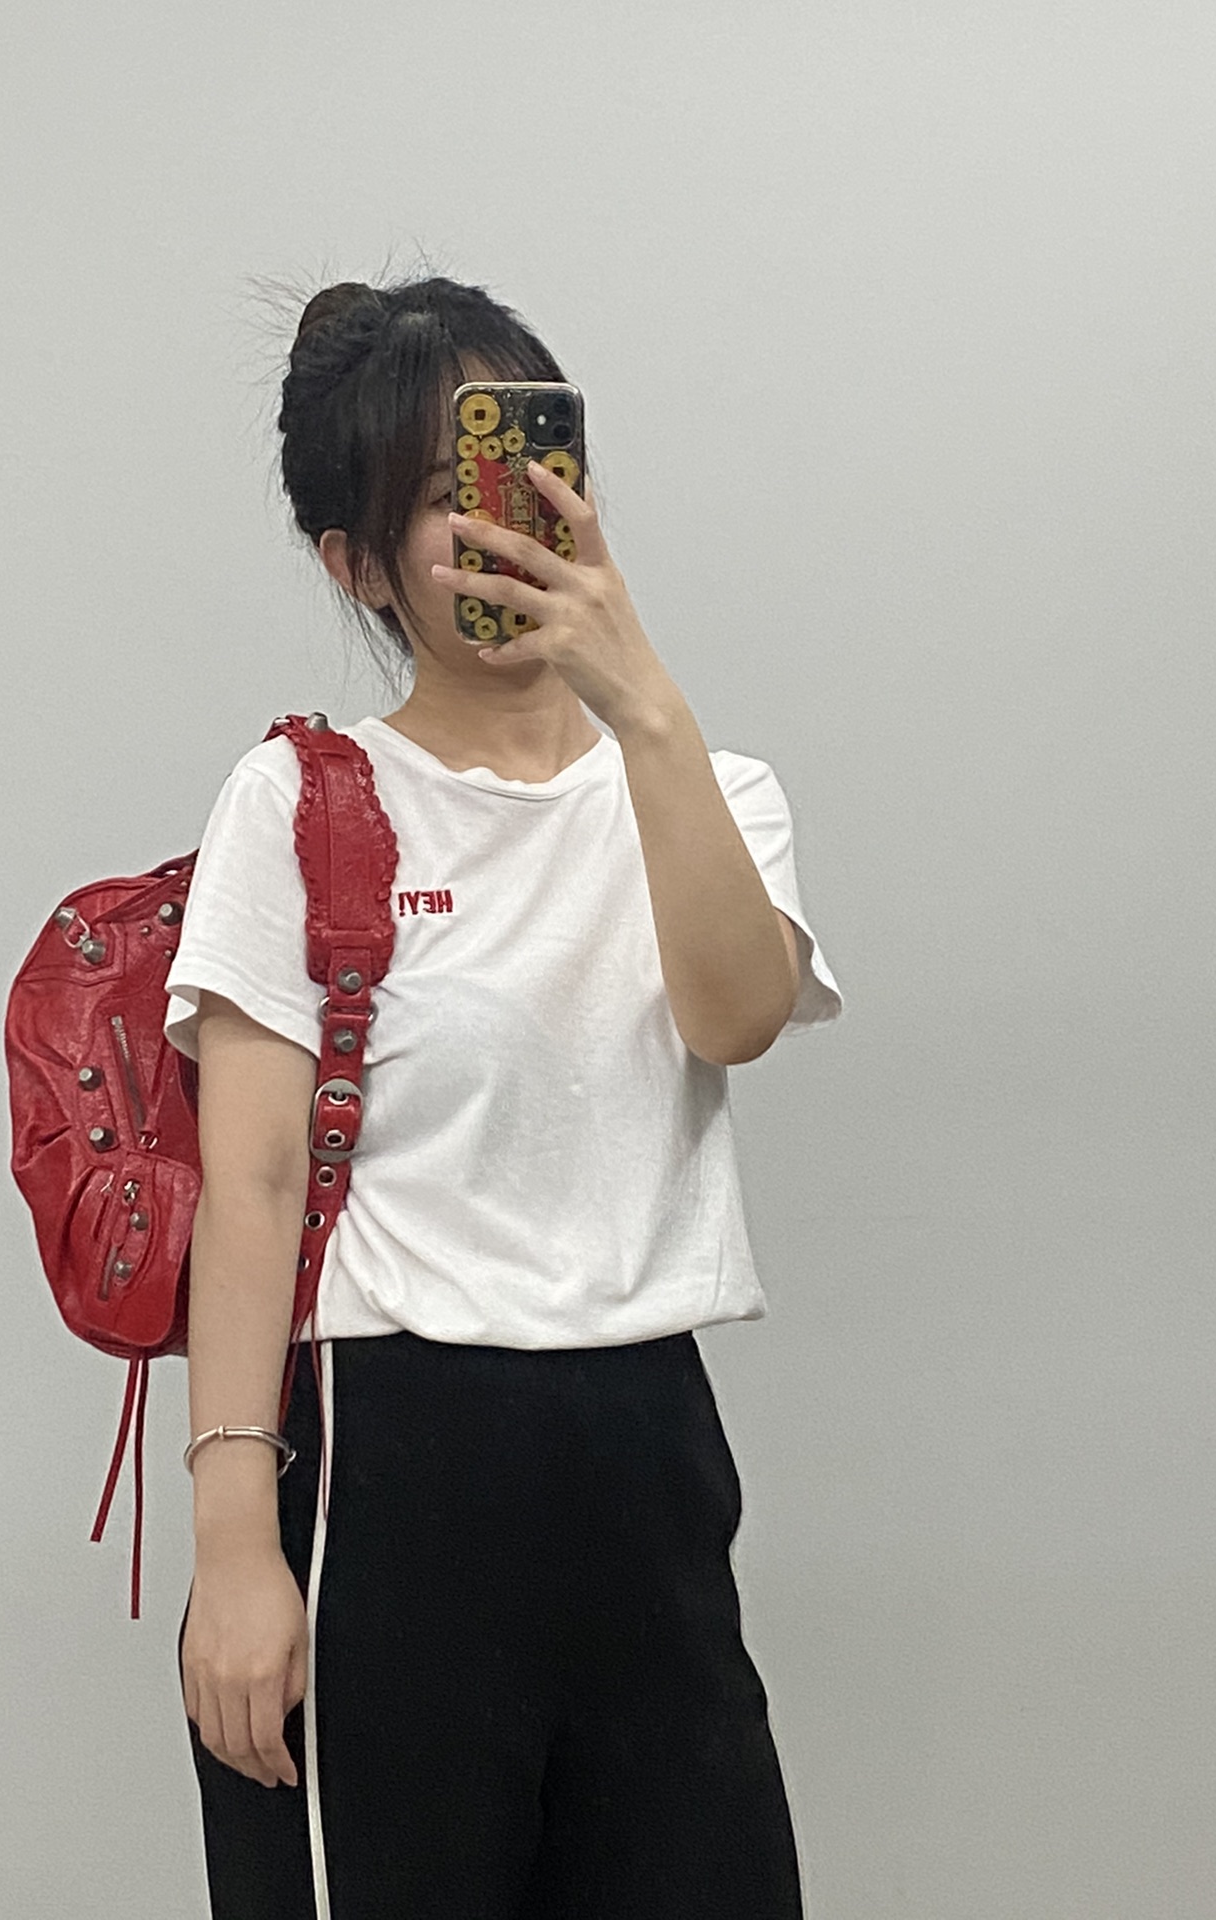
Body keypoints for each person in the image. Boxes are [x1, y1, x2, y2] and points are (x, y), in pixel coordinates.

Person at [160, 271, 844, 1920]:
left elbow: (738, 1015)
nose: (502, 524)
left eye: (529, 467)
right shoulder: (301, 801)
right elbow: (252, 1188)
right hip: (395, 1458)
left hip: (650, 1444)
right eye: (442, 499)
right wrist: (235, 1550)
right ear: (354, 565)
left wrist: (642, 698)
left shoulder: (707, 786)